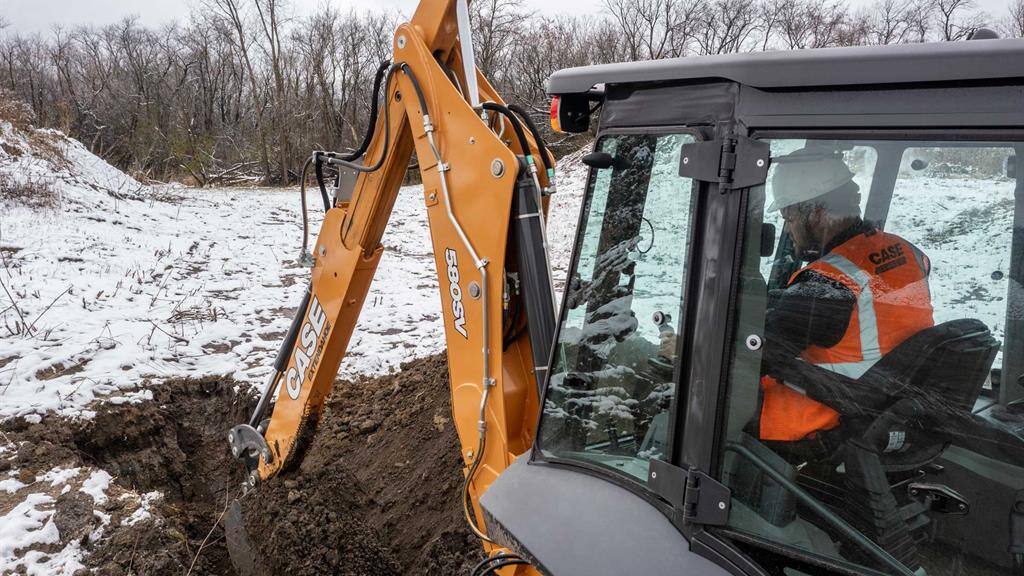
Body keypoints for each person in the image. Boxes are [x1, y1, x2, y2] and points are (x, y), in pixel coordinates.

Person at [758, 149, 935, 444]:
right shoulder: (907, 253)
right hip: (882, 406)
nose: (788, 228)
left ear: (815, 211)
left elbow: (755, 354)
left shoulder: (826, 281)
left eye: (788, 215)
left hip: (820, 415)